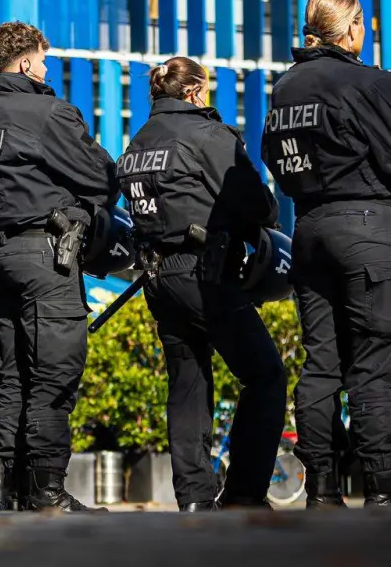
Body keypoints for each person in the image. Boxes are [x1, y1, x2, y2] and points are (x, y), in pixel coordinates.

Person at [260, 0, 391, 508]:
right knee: (375, 367)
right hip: (366, 229)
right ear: (351, 29)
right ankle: (383, 495)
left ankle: (322, 491)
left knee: (321, 364)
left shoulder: (285, 89)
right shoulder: (371, 83)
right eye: (363, 24)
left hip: (309, 231)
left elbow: (273, 159)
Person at [0, 21, 118, 513]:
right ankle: (46, 490)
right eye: (43, 60)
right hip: (45, 256)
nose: (46, 69)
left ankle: (10, 488)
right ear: (25, 63)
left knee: (12, 380)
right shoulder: (46, 111)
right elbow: (103, 175)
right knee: (52, 376)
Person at [118, 57, 286, 512]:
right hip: (205, 274)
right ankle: (244, 494)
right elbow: (262, 207)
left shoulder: (138, 142)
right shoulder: (208, 135)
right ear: (194, 92)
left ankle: (194, 499)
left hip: (156, 278)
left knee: (188, 385)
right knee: (266, 375)